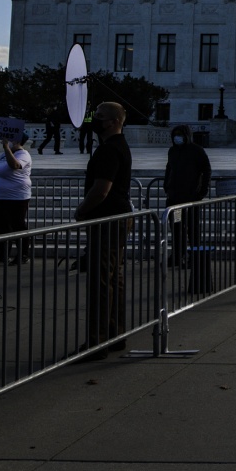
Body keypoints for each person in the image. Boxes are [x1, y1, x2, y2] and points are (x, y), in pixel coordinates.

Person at [76, 101, 131, 359]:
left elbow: (101, 189)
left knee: (101, 281)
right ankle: (115, 334)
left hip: (106, 218)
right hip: (118, 217)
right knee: (113, 278)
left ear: (112, 122)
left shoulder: (108, 151)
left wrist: (82, 210)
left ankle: (97, 342)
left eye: (99, 116)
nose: (94, 119)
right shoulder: (121, 146)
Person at [163, 122, 212, 271]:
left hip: (191, 198)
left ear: (186, 136)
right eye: (175, 135)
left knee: (192, 229)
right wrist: (167, 185)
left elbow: (207, 170)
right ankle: (178, 255)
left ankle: (195, 257)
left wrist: (202, 191)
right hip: (175, 198)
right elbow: (169, 168)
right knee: (176, 227)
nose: (177, 138)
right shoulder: (172, 151)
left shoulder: (196, 150)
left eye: (180, 135)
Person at [0, 130, 33, 261]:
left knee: (17, 225)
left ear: (17, 141)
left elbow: (15, 165)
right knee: (0, 226)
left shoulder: (24, 154)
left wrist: (7, 148)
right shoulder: (4, 155)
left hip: (16, 197)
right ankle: (1, 253)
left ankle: (23, 254)